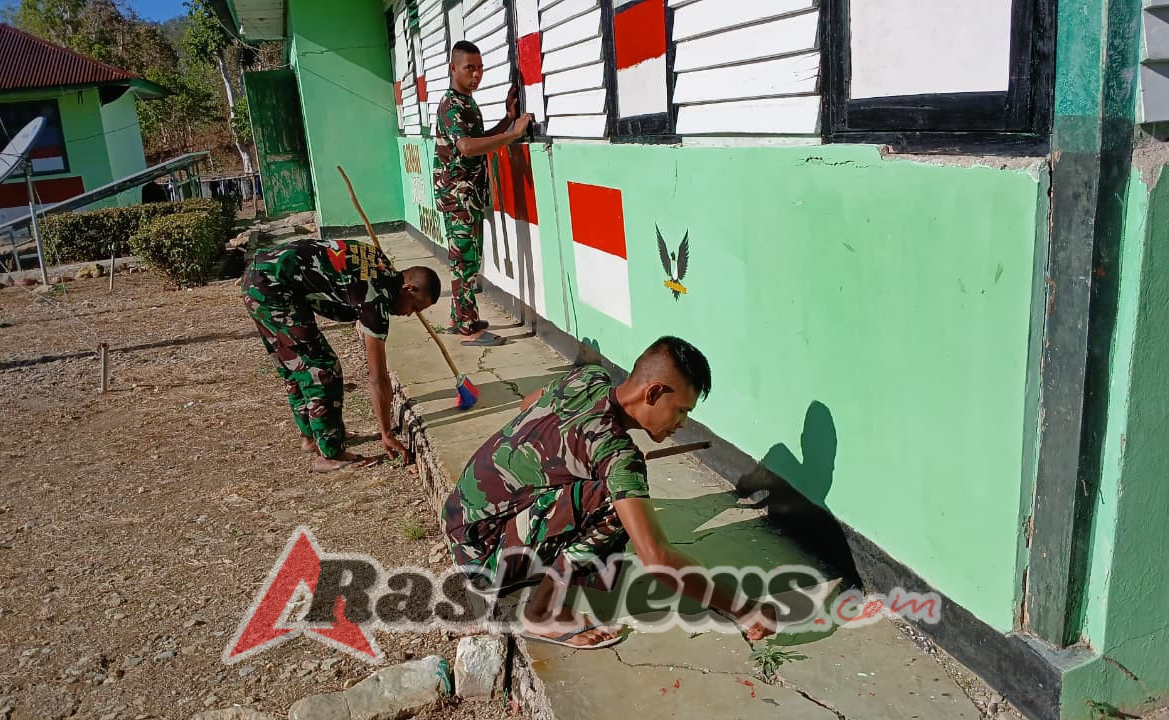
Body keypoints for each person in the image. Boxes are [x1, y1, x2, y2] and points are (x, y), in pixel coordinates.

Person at [442, 337, 778, 648]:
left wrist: (577, 460)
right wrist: (744, 607)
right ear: (654, 393)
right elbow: (657, 558)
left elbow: (528, 405)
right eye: (681, 410)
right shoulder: (618, 455)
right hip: (486, 560)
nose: (682, 423)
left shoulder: (588, 378)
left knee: (607, 489)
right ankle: (542, 613)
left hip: (464, 525)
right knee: (613, 502)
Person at [241, 236, 441, 472]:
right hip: (272, 289)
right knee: (322, 369)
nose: (410, 314)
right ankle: (330, 454)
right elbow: (377, 378)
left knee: (295, 364)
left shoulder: (380, 263)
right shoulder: (374, 300)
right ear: (408, 288)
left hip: (262, 275)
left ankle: (312, 436)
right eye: (415, 307)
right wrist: (386, 432)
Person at [433, 40, 532, 347]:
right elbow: (466, 146)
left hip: (468, 195)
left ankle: (457, 317)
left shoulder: (467, 103)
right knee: (464, 261)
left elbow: (479, 139)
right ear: (453, 68)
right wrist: (513, 134)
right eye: (469, 68)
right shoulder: (451, 105)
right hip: (457, 196)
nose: (476, 75)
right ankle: (468, 327)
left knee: (466, 258)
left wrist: (507, 120)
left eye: (479, 68)